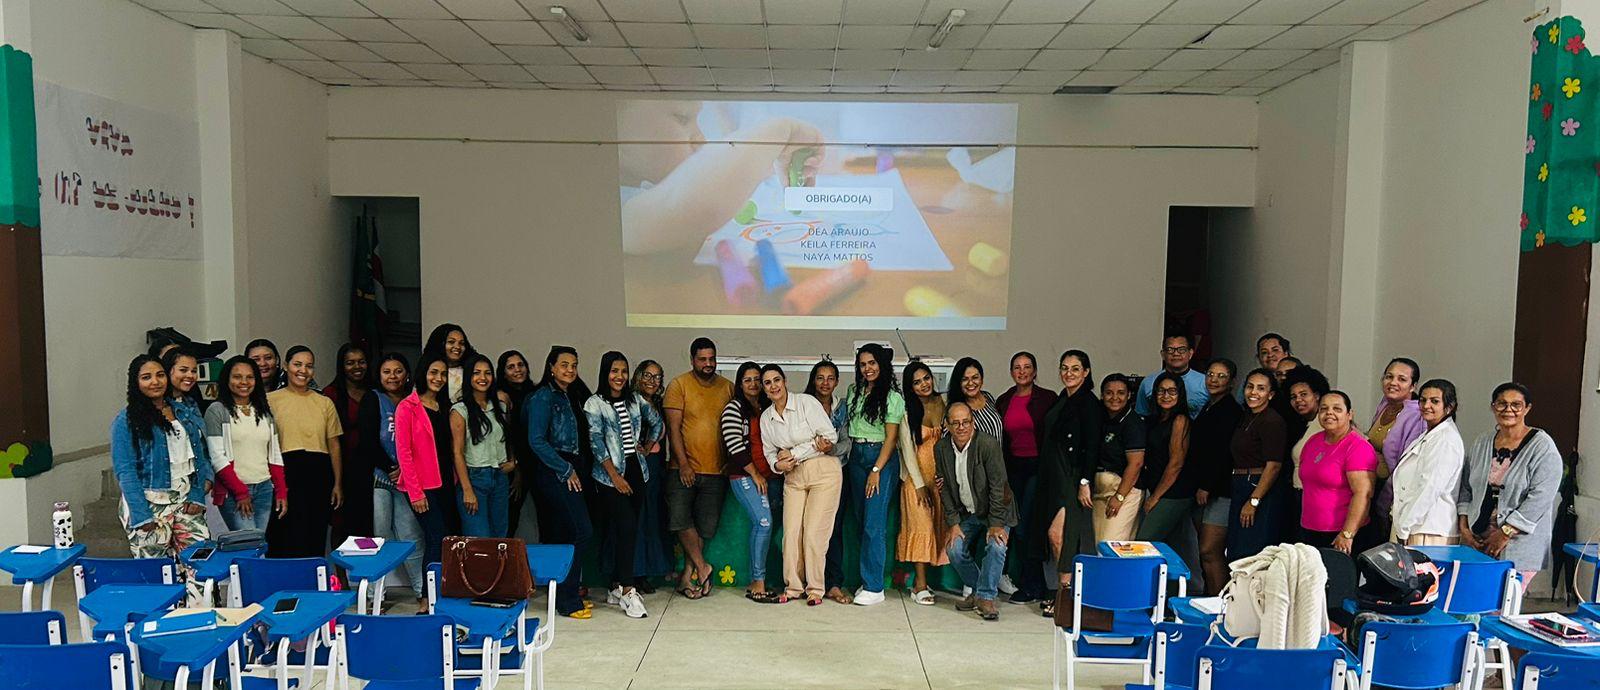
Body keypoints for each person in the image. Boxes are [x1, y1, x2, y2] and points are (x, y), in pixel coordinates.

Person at [618, 100, 824, 255]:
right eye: (682, 118)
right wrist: (780, 131)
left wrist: (767, 157)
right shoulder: (611, 210)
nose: (701, 140)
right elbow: (697, 206)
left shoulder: (644, 188)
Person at [112, 355, 213, 599]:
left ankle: (199, 617)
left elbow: (200, 455)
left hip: (186, 500)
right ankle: (161, 620)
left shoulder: (183, 411)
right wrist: (141, 515)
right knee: (155, 577)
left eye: (159, 375)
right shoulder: (125, 420)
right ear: (135, 382)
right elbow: (125, 470)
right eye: (146, 377)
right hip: (148, 505)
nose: (155, 382)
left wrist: (198, 494)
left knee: (202, 565)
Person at [1458, 383, 1563, 588]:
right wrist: (1464, 528)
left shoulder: (1542, 446)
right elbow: (1466, 487)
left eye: (1516, 405)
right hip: (1477, 539)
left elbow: (1541, 497)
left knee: (1505, 600)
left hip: (1518, 542)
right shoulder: (1482, 442)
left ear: (1527, 408)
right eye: (1502, 404)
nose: (1508, 410)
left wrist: (1505, 533)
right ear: (1493, 407)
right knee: (1475, 596)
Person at [583, 351, 663, 619]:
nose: (619, 376)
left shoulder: (635, 400)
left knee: (629, 530)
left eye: (624, 371)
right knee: (623, 527)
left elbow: (657, 423)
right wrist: (615, 477)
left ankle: (616, 585)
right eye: (614, 371)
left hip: (636, 470)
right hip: (609, 475)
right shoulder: (594, 404)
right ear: (605, 373)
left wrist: (647, 446)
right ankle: (628, 590)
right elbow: (596, 443)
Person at [758, 364, 841, 605]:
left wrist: (793, 453)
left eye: (777, 380)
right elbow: (769, 452)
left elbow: (829, 437)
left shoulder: (806, 403)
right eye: (767, 383)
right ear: (764, 389)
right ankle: (794, 587)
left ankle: (815, 589)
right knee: (791, 534)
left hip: (823, 473)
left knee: (814, 534)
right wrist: (778, 464)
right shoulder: (766, 418)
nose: (773, 386)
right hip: (793, 478)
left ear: (785, 381)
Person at [526, 346, 596, 618]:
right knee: (581, 531)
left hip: (573, 465)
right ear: (551, 367)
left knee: (565, 534)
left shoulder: (572, 395)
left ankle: (565, 596)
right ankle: (568, 600)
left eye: (574, 365)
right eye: (564, 364)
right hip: (556, 469)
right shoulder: (543, 397)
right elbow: (536, 441)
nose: (570, 370)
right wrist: (566, 469)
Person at [663, 337, 733, 600]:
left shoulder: (727, 387)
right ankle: (704, 567)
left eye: (712, 359)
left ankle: (687, 577)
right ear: (692, 359)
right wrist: (683, 464)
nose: (708, 364)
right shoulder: (678, 385)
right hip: (683, 469)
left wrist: (729, 461)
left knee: (704, 529)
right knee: (680, 521)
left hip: (716, 472)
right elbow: (673, 429)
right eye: (702, 359)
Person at [1035, 350, 1100, 617]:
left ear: (1086, 372)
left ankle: (1067, 598)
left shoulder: (1090, 404)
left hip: (1071, 478)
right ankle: (1064, 595)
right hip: (1053, 477)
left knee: (1062, 536)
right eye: (1064, 368)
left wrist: (1084, 481)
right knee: (1055, 536)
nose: (1068, 373)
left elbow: (1092, 447)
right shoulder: (1064, 398)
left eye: (1075, 368)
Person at [360, 353, 429, 605]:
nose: (393, 376)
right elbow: (367, 440)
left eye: (398, 371)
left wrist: (406, 470)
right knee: (379, 539)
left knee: (412, 536)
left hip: (408, 480)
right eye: (387, 371)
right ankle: (374, 596)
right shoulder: (373, 399)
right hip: (380, 479)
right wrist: (391, 467)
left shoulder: (415, 401)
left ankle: (422, 592)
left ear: (407, 374)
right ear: (379, 375)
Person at [939, 402, 1016, 621]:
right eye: (955, 423)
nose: (961, 427)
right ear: (947, 425)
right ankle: (980, 592)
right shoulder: (941, 448)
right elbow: (944, 487)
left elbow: (999, 486)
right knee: (954, 549)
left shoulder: (987, 445)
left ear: (973, 422)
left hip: (997, 510)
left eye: (966, 422)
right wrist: (953, 523)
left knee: (997, 546)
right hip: (969, 512)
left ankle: (986, 598)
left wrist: (996, 524)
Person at [265, 347, 343, 558]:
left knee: (314, 532)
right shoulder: (270, 400)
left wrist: (337, 483)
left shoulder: (324, 402)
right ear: (286, 366)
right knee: (283, 532)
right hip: (284, 472)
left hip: (319, 473)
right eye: (297, 364)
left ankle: (312, 577)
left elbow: (334, 445)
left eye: (309, 366)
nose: (303, 370)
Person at [842, 343, 904, 606]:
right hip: (856, 456)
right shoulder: (853, 391)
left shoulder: (892, 397)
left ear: (882, 364)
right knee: (860, 521)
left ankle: (875, 587)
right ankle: (866, 579)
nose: (867, 368)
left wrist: (877, 470)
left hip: (880, 459)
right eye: (862, 364)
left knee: (873, 524)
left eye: (872, 363)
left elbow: (891, 439)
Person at [994, 351, 1057, 605]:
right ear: (1011, 372)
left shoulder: (1048, 399)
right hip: (1014, 470)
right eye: (1017, 367)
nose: (1022, 372)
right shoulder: (1004, 400)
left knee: (1027, 527)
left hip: (1039, 468)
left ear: (1035, 371)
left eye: (1027, 367)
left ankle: (1033, 585)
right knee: (1015, 525)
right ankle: (1026, 582)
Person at [720, 361, 783, 604]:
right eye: (747, 380)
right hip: (745, 476)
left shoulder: (767, 407)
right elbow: (734, 446)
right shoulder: (734, 408)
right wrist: (755, 474)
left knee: (771, 527)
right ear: (739, 384)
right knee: (764, 523)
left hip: (771, 476)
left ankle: (766, 579)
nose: (754, 384)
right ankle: (757, 581)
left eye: (758, 379)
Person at [205, 355, 287, 532]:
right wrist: (241, 492)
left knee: (258, 542)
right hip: (234, 492)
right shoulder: (217, 411)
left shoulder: (264, 411)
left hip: (264, 488)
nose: (244, 382)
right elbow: (217, 458)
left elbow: (274, 454)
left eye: (250, 377)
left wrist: (281, 490)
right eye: (237, 377)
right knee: (247, 542)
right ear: (226, 379)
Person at [396, 353, 452, 603]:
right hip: (423, 486)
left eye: (443, 374)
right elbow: (404, 452)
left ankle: (444, 593)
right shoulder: (407, 406)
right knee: (435, 538)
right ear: (423, 374)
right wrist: (415, 492)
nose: (438, 378)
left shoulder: (445, 406)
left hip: (447, 482)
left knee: (447, 538)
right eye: (433, 372)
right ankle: (427, 598)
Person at [1298, 392, 1377, 554]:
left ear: (1349, 414)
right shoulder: (1313, 441)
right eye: (1324, 409)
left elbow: (1363, 494)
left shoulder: (1358, 447)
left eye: (1337, 409)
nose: (1329, 413)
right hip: (1309, 529)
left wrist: (1347, 534)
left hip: (1341, 534)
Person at [898, 361, 948, 606]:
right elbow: (907, 451)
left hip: (941, 479)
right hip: (916, 479)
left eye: (926, 378)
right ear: (910, 387)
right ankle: (919, 585)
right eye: (916, 382)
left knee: (940, 528)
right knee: (922, 528)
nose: (923, 384)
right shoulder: (906, 410)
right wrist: (919, 484)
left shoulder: (944, 403)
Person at [1391, 379, 1465, 546]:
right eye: (1423, 400)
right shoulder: (1430, 434)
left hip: (1428, 530)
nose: (1426, 405)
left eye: (1434, 401)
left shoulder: (1446, 439)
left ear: (1450, 406)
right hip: (1413, 526)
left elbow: (1429, 488)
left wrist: (1404, 526)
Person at [808, 359, 856, 605]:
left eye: (830, 378)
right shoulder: (803, 404)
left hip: (837, 474)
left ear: (837, 382)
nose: (825, 383)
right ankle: (808, 582)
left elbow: (847, 442)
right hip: (808, 473)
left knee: (833, 529)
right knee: (808, 530)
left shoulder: (842, 408)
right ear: (813, 380)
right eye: (820, 378)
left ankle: (833, 583)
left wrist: (831, 449)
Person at [451, 353, 515, 538]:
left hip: (499, 477)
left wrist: (513, 461)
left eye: (487, 373)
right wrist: (467, 490)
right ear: (468, 377)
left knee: (500, 536)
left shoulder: (501, 407)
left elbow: (509, 437)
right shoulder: (460, 410)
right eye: (476, 373)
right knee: (479, 539)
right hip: (474, 478)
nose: (483, 377)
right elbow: (457, 453)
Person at [1226, 368, 1287, 561]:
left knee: (1251, 552)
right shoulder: (1247, 416)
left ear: (1271, 394)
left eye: (1261, 388)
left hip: (1257, 486)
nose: (1253, 392)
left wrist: (1254, 501)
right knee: (1236, 549)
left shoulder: (1272, 421)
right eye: (1250, 387)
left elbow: (1274, 465)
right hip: (1241, 483)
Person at [1193, 358, 1242, 595]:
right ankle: (1211, 598)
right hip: (1203, 488)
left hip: (1220, 490)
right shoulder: (1209, 406)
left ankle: (1221, 603)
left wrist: (1206, 485)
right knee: (1204, 553)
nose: (1214, 380)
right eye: (1210, 374)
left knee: (1210, 550)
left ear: (1231, 382)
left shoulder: (1230, 411)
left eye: (1221, 376)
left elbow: (1223, 453)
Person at [1368, 358, 1426, 542]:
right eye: (1389, 376)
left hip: (1391, 494)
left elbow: (1406, 466)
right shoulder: (1385, 405)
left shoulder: (1417, 416)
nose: (1393, 382)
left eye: (1402, 379)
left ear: (1413, 386)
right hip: (1371, 485)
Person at [1134, 372, 1195, 546]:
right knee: (1171, 547)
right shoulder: (1153, 419)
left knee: (1144, 542)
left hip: (1174, 492)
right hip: (1157, 488)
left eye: (1172, 391)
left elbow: (1176, 464)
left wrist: (1155, 497)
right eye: (1161, 391)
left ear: (1180, 394)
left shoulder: (1180, 420)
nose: (1166, 395)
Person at [629, 359, 673, 592]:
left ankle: (645, 572)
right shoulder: (629, 403)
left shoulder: (659, 405)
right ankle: (632, 574)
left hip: (656, 467)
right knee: (636, 520)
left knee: (651, 519)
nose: (652, 381)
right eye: (647, 375)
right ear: (638, 376)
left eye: (657, 377)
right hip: (636, 467)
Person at [324, 344, 373, 546]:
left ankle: (366, 565)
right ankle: (340, 567)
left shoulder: (375, 392)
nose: (357, 367)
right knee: (341, 523)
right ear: (341, 366)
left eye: (361, 362)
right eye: (350, 363)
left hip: (370, 468)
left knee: (368, 523)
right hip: (341, 467)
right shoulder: (330, 394)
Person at [1281, 366, 1331, 543]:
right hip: (1299, 495)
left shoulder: (1327, 421)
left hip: (1318, 498)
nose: (1298, 400)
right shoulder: (1300, 424)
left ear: (1316, 395)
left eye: (1304, 394)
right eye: (1293, 397)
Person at [1092, 374, 1145, 542]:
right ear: (1102, 395)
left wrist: (1119, 497)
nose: (1115, 397)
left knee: (1113, 545)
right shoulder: (1100, 418)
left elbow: (1136, 464)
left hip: (1123, 491)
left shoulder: (1133, 423)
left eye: (1121, 393)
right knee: (1101, 545)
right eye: (1109, 393)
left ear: (1129, 395)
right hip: (1100, 492)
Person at [498, 350, 538, 539]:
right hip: (512, 466)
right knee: (509, 518)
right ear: (503, 373)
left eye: (520, 365)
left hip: (536, 463)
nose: (517, 370)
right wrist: (517, 470)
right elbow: (506, 436)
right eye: (511, 367)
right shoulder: (501, 397)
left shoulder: (536, 394)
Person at [1135, 333, 1208, 419]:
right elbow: (1141, 416)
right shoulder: (1148, 382)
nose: (1176, 353)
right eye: (1170, 349)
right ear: (1163, 354)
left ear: (1190, 353)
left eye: (1181, 349)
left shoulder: (1205, 382)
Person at [947, 357, 1001, 441]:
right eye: (964, 379)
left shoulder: (988, 397)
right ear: (958, 383)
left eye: (975, 377)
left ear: (981, 379)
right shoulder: (955, 410)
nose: (970, 383)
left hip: (998, 449)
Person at [422, 323, 476, 403]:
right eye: (451, 342)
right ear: (439, 343)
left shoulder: (473, 370)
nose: (457, 347)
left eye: (461, 343)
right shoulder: (426, 370)